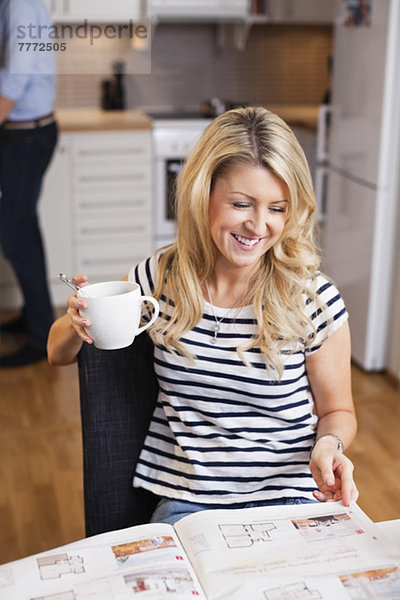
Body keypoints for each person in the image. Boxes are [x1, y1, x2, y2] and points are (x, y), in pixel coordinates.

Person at [47, 106, 358, 525]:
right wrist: (77, 319)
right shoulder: (161, 277)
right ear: (203, 193)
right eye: (241, 203)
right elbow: (57, 352)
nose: (258, 225)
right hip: (188, 503)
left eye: (277, 208)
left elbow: (339, 411)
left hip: (291, 498)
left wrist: (330, 445)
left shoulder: (314, 297)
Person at [0, 0, 58, 367]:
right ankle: (34, 315)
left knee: (15, 231)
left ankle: (40, 335)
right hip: (21, 134)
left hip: (27, 136)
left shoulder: (21, 4)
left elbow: (16, 80)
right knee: (22, 228)